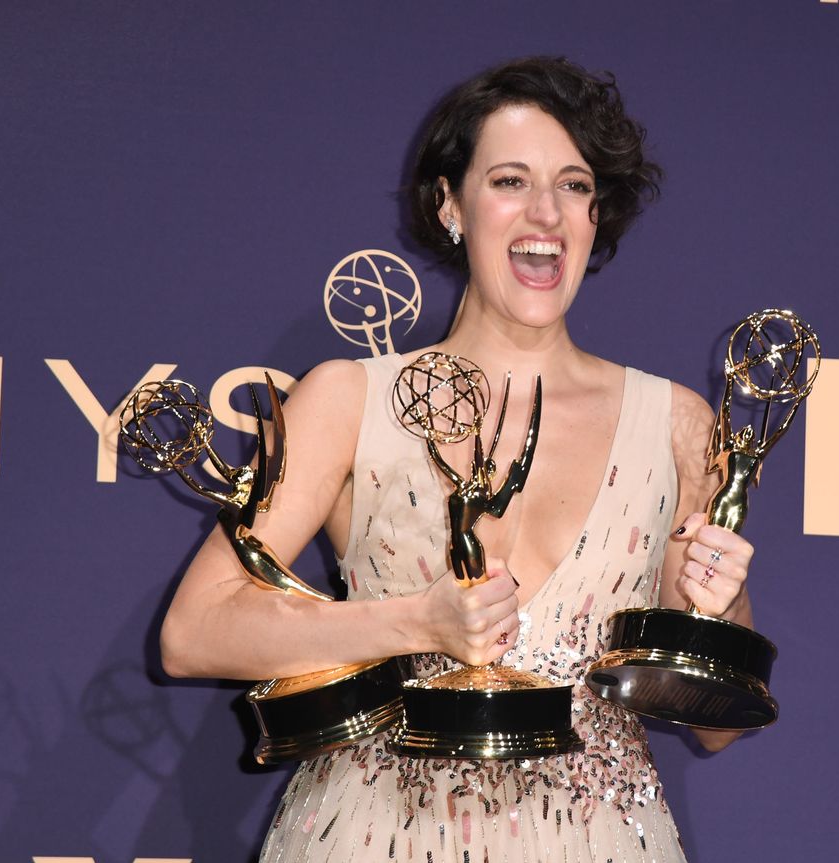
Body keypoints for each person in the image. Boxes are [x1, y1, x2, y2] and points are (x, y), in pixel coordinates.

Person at [159, 56, 758, 862]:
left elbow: (716, 724)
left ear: (596, 217)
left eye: (575, 185)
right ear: (451, 205)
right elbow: (193, 632)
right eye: (510, 180)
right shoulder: (348, 400)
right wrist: (412, 622)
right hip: (371, 836)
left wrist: (724, 602)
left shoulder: (678, 423)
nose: (545, 212)